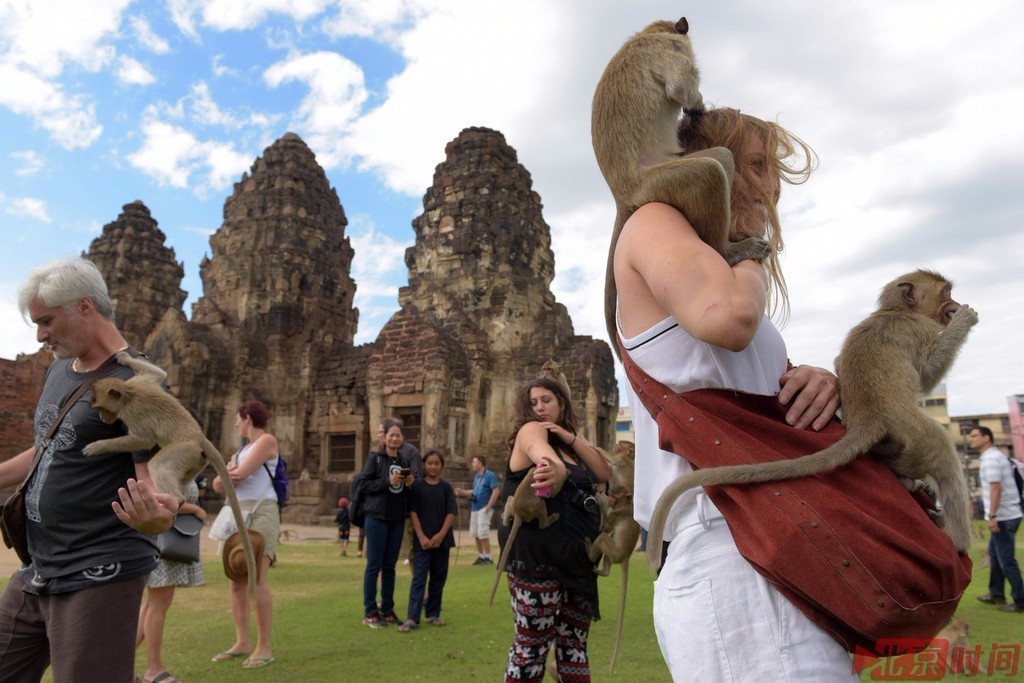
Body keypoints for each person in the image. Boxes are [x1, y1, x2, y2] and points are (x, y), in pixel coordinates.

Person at [614, 107, 860, 679]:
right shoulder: (653, 220)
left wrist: (823, 383)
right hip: (727, 542)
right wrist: (754, 250)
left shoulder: (723, 272)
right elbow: (725, 317)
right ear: (710, 167)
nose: (771, 185)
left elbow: (755, 384)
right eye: (755, 165)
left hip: (775, 540)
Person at [0, 257, 176, 683]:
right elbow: (47, 449)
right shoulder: (60, 369)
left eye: (46, 321)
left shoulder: (137, 383)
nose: (40, 335)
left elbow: (155, 480)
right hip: (38, 564)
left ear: (84, 307)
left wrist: (160, 516)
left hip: (99, 570)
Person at [499, 377, 612, 682]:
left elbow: (604, 472)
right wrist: (555, 466)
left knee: (573, 644)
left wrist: (571, 437)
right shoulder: (531, 430)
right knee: (531, 646)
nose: (539, 408)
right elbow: (540, 453)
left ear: (562, 402)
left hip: (577, 558)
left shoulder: (569, 441)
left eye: (546, 400)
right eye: (533, 402)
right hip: (538, 558)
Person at [210, 399, 280, 669]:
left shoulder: (266, 441)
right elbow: (219, 484)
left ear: (248, 417)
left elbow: (235, 476)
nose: (236, 423)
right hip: (237, 512)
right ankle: (242, 642)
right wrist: (226, 474)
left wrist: (227, 473)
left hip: (261, 511)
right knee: (236, 580)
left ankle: (264, 646)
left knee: (257, 579)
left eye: (239, 418)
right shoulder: (243, 449)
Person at [136, 478, 206, 683]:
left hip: (166, 536)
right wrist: (195, 509)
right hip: (163, 538)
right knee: (159, 604)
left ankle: (118, 663)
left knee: (152, 603)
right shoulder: (161, 461)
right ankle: (153, 668)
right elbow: (159, 499)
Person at [360, 417, 422, 628]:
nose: (395, 438)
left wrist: (410, 483)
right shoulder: (375, 458)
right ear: (385, 438)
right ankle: (370, 611)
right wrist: (387, 481)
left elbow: (405, 491)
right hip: (376, 517)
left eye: (398, 435)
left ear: (403, 438)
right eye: (391, 435)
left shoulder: (403, 462)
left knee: (390, 567)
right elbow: (365, 484)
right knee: (374, 566)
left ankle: (387, 609)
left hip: (396, 518)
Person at [399, 448, 457, 631]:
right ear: (423, 465)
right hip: (422, 542)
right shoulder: (417, 487)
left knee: (438, 578)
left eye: (436, 463)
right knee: (419, 578)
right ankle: (412, 617)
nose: (433, 467)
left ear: (442, 466)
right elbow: (413, 513)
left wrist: (440, 536)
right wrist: (422, 537)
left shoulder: (446, 487)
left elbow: (451, 513)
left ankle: (433, 613)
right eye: (429, 463)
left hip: (442, 540)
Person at [971, 426, 1024, 612]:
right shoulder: (994, 457)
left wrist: (993, 516)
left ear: (987, 438)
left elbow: (995, 488)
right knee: (995, 555)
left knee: (1006, 560)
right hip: (1008, 514)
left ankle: (1020, 600)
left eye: (975, 436)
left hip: (1003, 516)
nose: (971, 439)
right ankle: (996, 593)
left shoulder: (992, 459)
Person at [454, 454, 500, 564]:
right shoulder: (477, 476)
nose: (472, 464)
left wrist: (488, 506)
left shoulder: (490, 475)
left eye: (474, 462)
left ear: (480, 463)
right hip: (475, 507)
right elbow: (475, 491)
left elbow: (496, 491)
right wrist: (462, 492)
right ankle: (481, 555)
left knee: (483, 532)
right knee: (475, 533)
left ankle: (488, 557)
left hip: (484, 508)